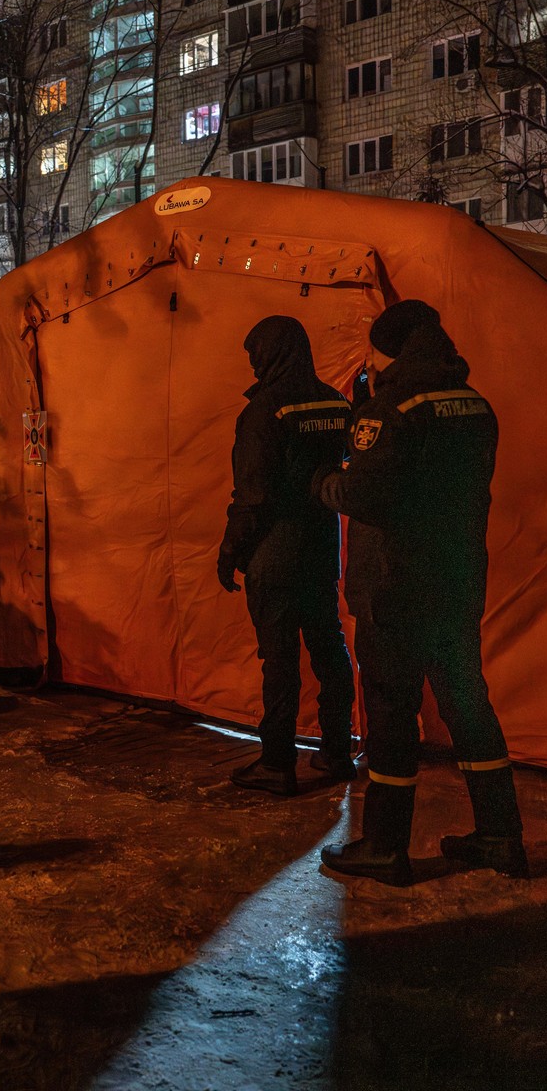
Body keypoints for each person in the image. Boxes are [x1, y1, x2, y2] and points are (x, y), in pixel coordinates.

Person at [315, 300, 527, 885]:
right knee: (468, 703)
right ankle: (501, 835)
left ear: (391, 350)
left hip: (395, 583)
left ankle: (385, 846)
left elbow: (366, 494)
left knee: (390, 713)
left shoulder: (392, 408)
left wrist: (327, 482)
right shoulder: (475, 404)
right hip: (458, 578)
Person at [218, 316, 358, 796]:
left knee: (279, 658)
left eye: (256, 352)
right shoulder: (337, 402)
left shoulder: (263, 411)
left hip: (274, 551)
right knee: (328, 645)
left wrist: (230, 550)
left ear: (274, 352)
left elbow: (253, 495)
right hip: (321, 545)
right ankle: (338, 751)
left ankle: (276, 763)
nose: (254, 362)